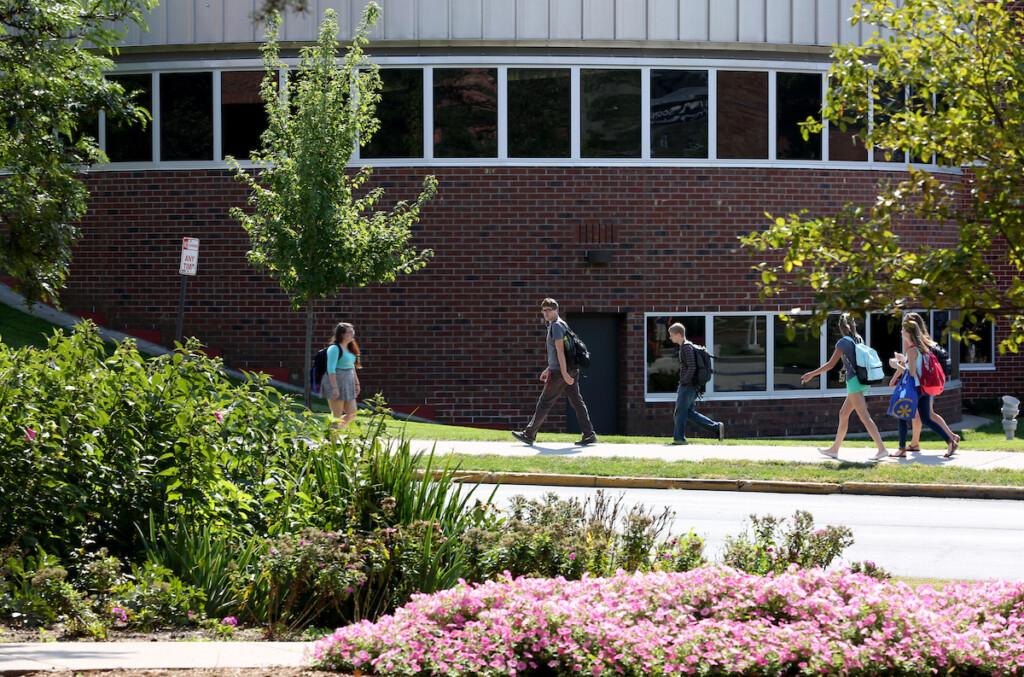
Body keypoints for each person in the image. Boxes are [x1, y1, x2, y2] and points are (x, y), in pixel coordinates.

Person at [800, 314, 889, 461]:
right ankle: (834, 449)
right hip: (863, 381)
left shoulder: (843, 342)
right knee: (843, 414)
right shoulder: (858, 339)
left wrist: (811, 374)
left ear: (841, 328)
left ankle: (882, 449)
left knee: (864, 417)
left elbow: (830, 365)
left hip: (854, 382)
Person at [512, 298, 598, 446]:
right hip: (567, 370)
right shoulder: (561, 324)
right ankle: (589, 434)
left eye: (549, 310)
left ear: (556, 310)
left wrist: (563, 373)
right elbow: (560, 351)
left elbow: (560, 351)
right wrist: (548, 369)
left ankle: (529, 434)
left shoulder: (556, 326)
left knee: (545, 402)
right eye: (543, 310)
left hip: (559, 372)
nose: (546, 313)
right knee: (577, 402)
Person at [888, 320, 958, 458]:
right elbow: (916, 366)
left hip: (915, 388)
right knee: (926, 418)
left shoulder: (912, 349)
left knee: (902, 415)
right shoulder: (919, 347)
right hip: (924, 389)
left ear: (908, 332)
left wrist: (896, 365)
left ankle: (901, 449)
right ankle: (950, 442)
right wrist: (903, 359)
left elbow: (912, 373)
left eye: (902, 329)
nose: (901, 332)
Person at [668, 323, 724, 444]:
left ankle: (679, 439)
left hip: (688, 386)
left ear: (678, 335)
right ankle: (716, 427)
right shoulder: (687, 347)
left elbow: (692, 367)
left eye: (672, 335)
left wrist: (683, 381)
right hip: (693, 386)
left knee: (679, 413)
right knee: (688, 413)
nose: (670, 338)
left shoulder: (686, 348)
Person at [320, 321, 361, 437]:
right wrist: (334, 388)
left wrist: (357, 383)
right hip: (335, 382)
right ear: (342, 334)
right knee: (337, 416)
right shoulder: (334, 349)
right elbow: (331, 369)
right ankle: (333, 442)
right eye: (350, 332)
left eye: (353, 331)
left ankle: (332, 434)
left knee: (352, 413)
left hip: (348, 383)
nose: (353, 334)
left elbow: (352, 367)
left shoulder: (350, 348)